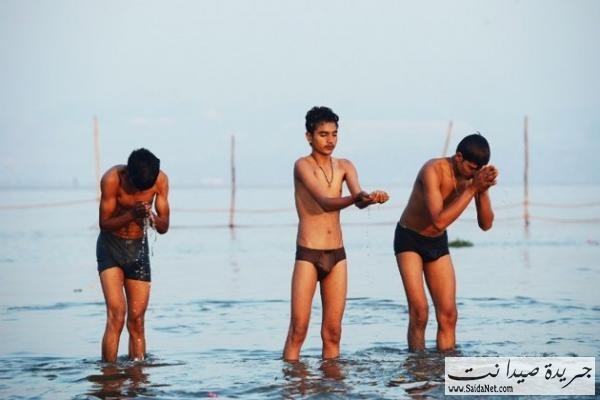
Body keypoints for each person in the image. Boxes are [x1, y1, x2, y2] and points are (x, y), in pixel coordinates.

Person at [283, 106, 389, 361]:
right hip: (309, 254)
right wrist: (357, 197)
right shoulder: (302, 166)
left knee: (333, 332)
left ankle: (331, 381)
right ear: (309, 137)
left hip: (337, 255)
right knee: (298, 330)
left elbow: (359, 200)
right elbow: (324, 202)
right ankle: (291, 381)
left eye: (334, 134)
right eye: (323, 134)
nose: (330, 140)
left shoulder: (344, 166)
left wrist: (372, 198)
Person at [394, 133, 498, 352]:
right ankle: (417, 365)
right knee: (420, 312)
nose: (474, 173)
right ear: (459, 157)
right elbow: (439, 220)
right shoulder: (432, 170)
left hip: (437, 242)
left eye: (478, 170)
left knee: (449, 314)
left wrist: (483, 190)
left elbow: (486, 224)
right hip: (410, 238)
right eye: (471, 168)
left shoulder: (473, 178)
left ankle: (447, 366)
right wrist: (473, 189)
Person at [96, 148, 170, 362]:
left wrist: (151, 216)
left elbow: (164, 227)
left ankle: (138, 375)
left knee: (137, 320)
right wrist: (131, 214)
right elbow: (104, 224)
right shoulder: (112, 179)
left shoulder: (160, 180)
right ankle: (109, 373)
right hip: (110, 247)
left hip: (138, 248)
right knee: (116, 315)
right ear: (128, 174)